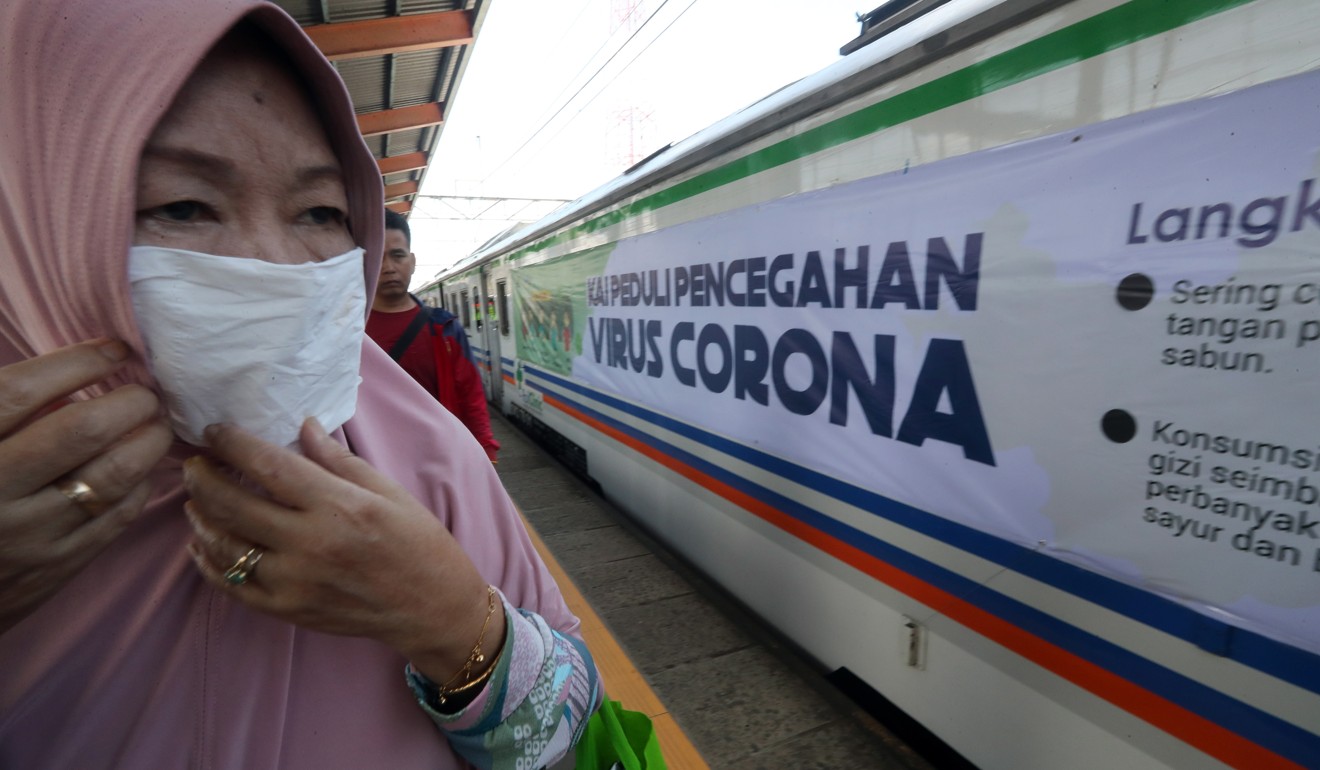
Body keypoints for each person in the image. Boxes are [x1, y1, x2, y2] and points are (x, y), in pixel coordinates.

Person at [0, 2, 600, 768]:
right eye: (183, 207)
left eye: (320, 211)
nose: (275, 265)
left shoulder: (431, 458)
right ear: (33, 225)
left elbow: (580, 737)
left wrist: (454, 622)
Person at [368, 210, 501, 462]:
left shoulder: (445, 328)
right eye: (377, 257)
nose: (388, 268)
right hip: (375, 461)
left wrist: (486, 453)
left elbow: (470, 395)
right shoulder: (348, 330)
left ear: (413, 261)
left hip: (440, 457)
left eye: (398, 256)